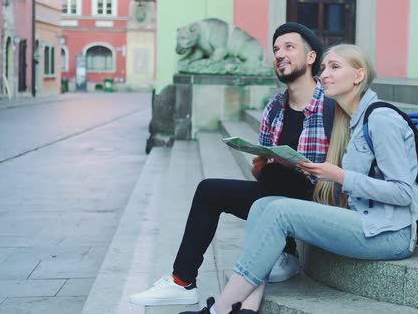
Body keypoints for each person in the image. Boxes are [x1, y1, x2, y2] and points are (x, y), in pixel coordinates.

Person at [180, 44, 418, 314]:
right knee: (264, 205)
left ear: (358, 75)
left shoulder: (381, 120)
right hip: (367, 222)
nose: (324, 75)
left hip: (391, 233)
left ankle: (220, 310)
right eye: (323, 68)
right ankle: (248, 307)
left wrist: (340, 175)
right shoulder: (350, 119)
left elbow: (405, 193)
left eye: (335, 67)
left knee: (280, 212)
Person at [129, 22, 333, 307]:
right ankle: (182, 281)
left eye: (289, 47)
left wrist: (296, 167)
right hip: (274, 200)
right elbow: (262, 170)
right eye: (276, 49)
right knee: (210, 190)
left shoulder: (331, 107)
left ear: (311, 57)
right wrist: (260, 165)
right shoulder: (275, 107)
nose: (280, 54)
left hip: (312, 205)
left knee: (284, 179)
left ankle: (283, 253)